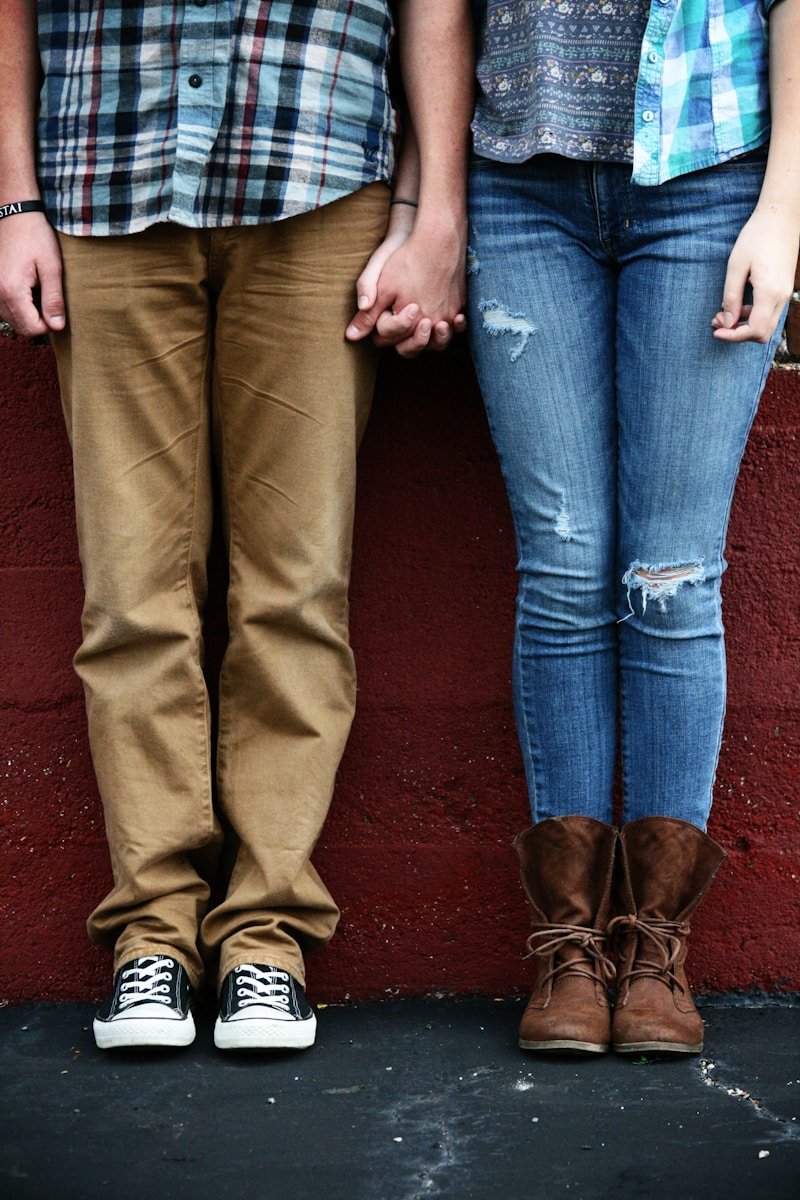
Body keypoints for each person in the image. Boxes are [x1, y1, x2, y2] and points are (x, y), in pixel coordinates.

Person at [0, 0, 470, 1051]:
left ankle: (266, 938)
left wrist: (435, 213)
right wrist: (12, 202)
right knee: (131, 596)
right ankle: (152, 940)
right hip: (102, 183)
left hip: (317, 177)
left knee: (294, 590)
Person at [353, 0, 799, 1056]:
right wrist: (440, 219)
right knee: (559, 568)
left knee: (673, 576)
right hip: (517, 189)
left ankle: (651, 950)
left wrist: (783, 209)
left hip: (710, 183)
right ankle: (564, 946)